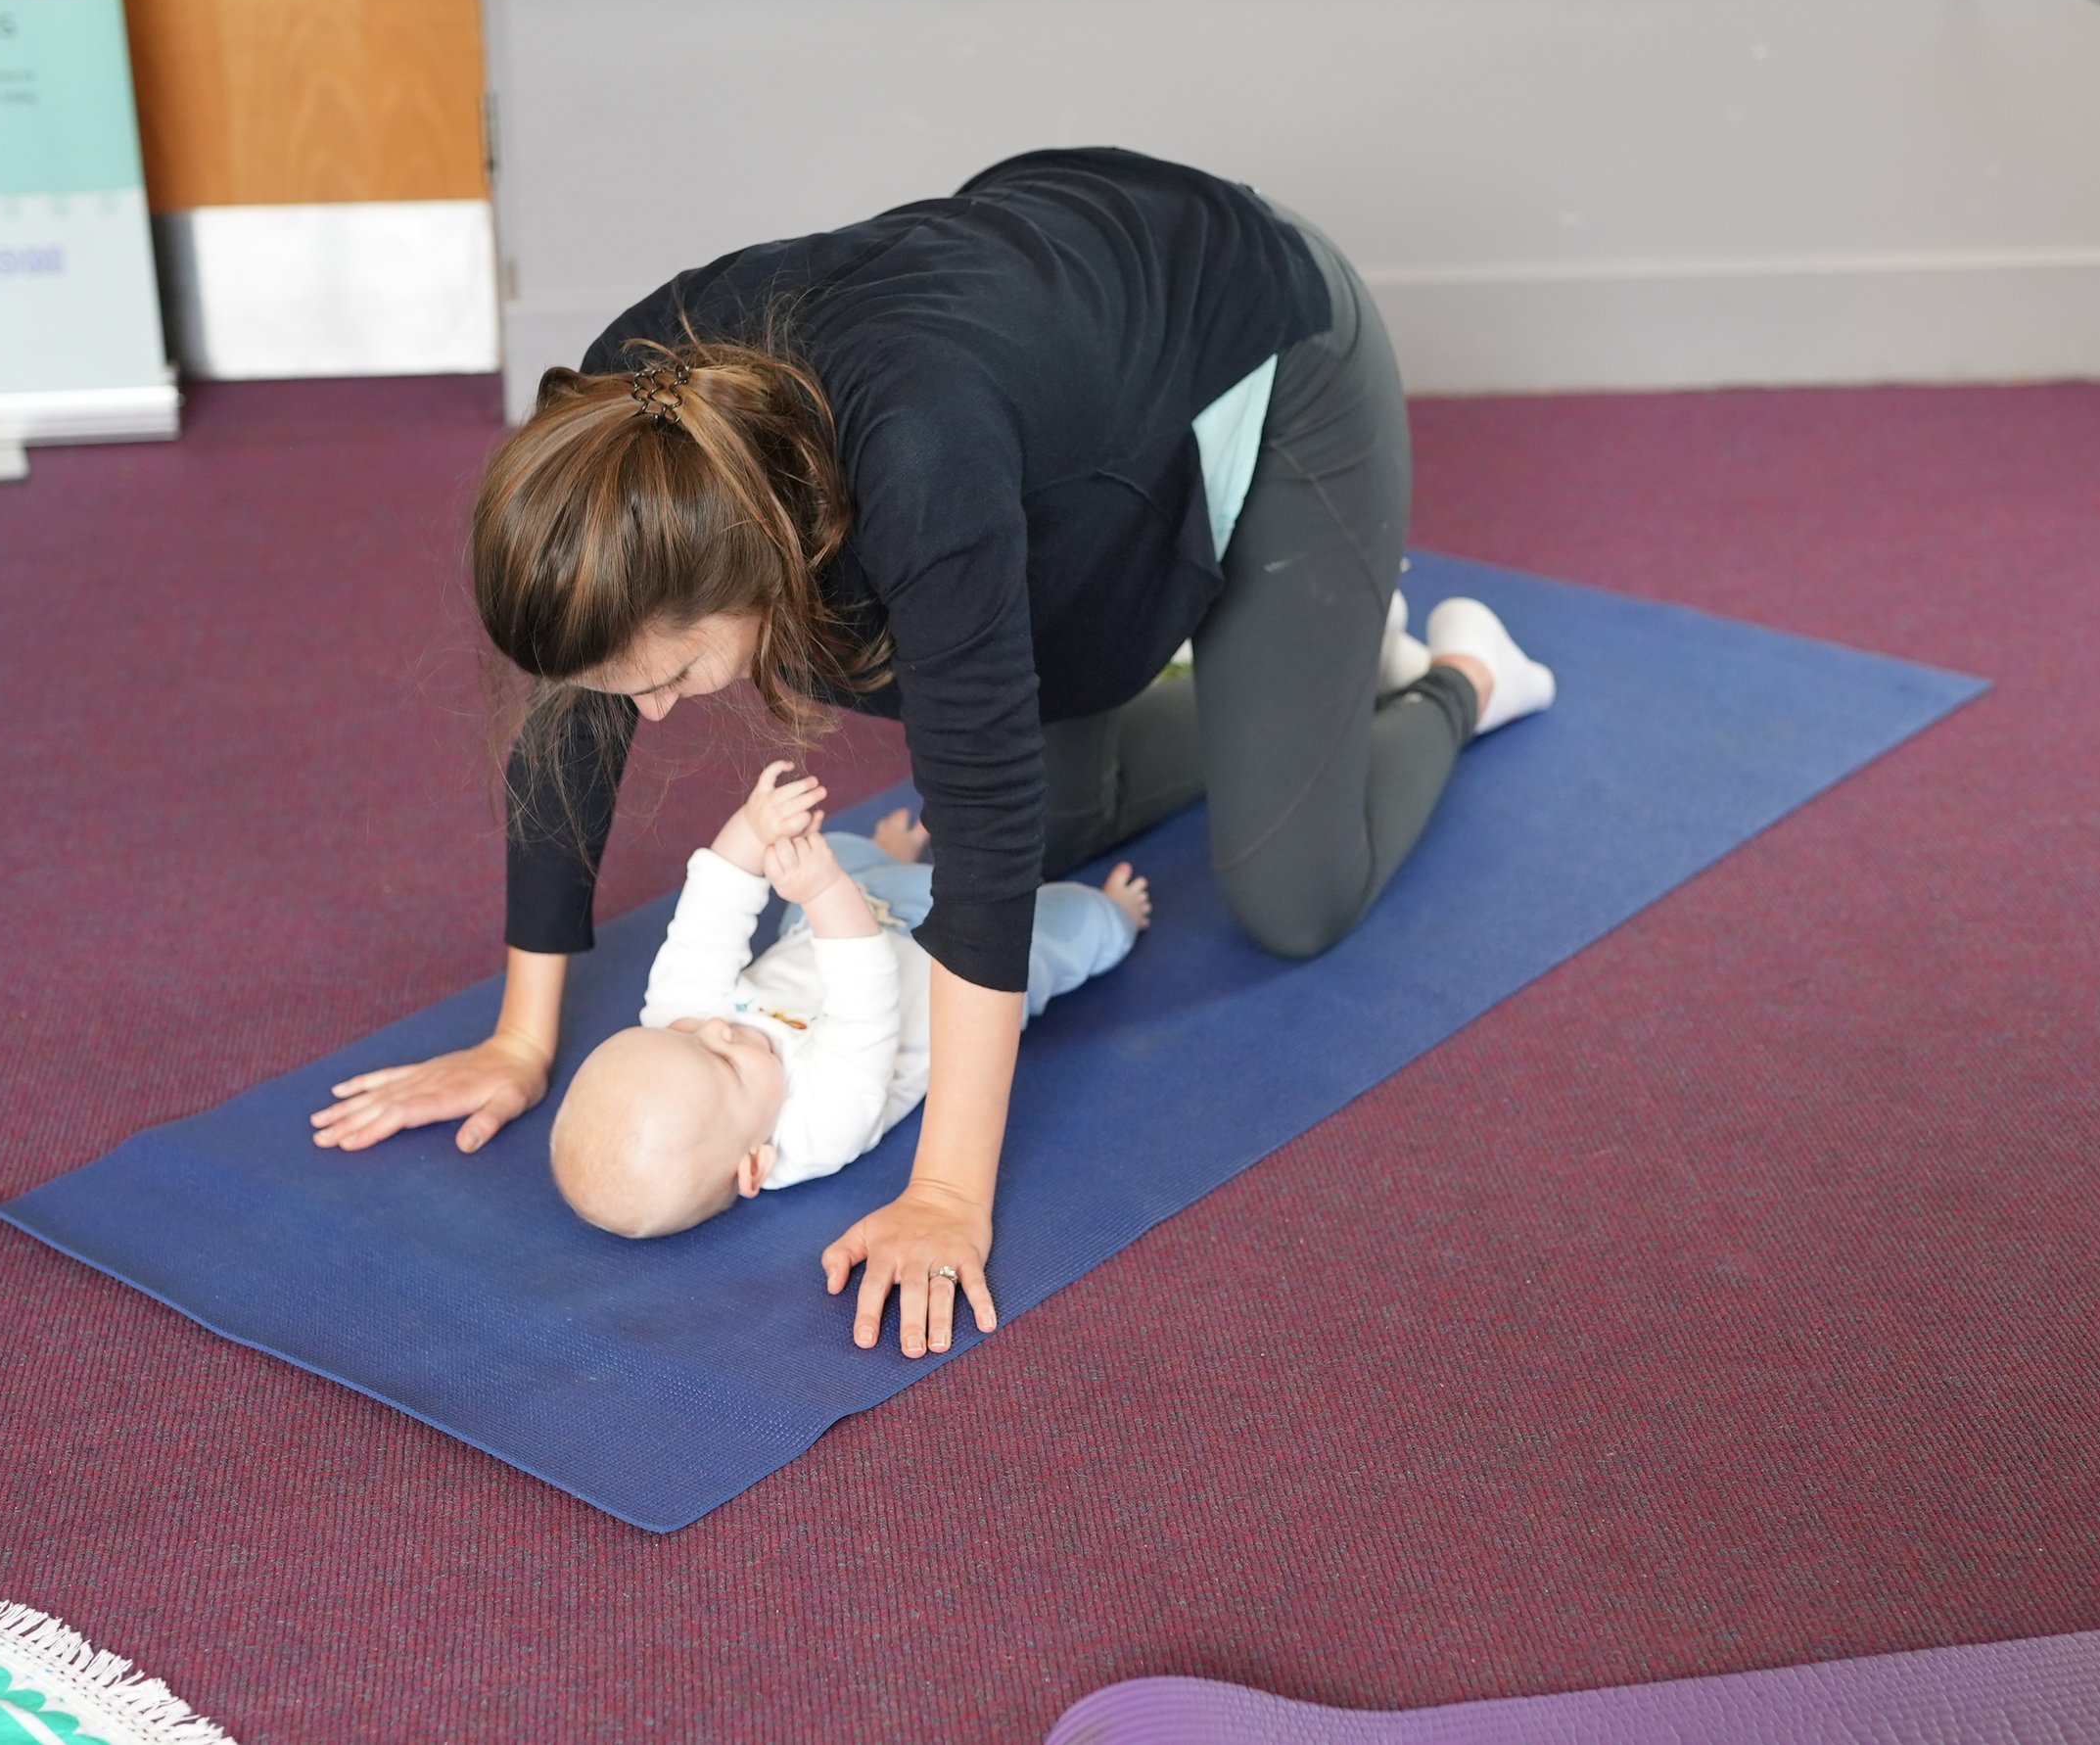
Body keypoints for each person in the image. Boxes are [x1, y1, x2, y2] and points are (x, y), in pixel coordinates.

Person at [307, 146, 1556, 1359]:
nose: (654, 715)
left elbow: (994, 832)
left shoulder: (916, 464)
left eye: (674, 677)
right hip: (1054, 365)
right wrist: (521, 1043)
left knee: (1291, 896)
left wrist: (947, 1193)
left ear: (730, 565)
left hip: (1257, 335)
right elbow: (576, 698)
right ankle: (1318, 666)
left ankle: (1456, 675)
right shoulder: (620, 438)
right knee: (1012, 804)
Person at [553, 762, 1148, 1239]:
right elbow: (865, 994)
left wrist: (752, 830)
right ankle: (1116, 917)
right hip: (958, 968)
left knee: (827, 842)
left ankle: (886, 855)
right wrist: (824, 890)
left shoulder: (675, 1027)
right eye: (726, 1063)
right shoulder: (814, 1130)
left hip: (856, 902)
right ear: (755, 1164)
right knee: (1067, 932)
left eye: (681, 1034)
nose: (717, 1030)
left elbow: (710, 912)